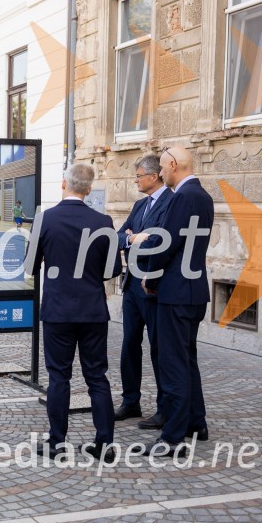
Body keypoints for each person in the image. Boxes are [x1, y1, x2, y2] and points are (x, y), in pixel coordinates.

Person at [32, 163, 122, 463]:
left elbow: (30, 266)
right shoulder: (104, 222)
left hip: (58, 311)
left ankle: (57, 442)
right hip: (93, 310)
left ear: (63, 184)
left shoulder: (45, 220)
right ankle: (105, 444)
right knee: (97, 377)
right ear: (88, 189)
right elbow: (113, 270)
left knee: (59, 377)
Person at [141, 146, 213, 457]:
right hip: (193, 290)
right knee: (187, 359)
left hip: (177, 291)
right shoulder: (203, 196)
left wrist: (150, 276)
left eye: (162, 167)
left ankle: (173, 438)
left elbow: (167, 243)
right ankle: (197, 422)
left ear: (172, 164)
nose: (161, 172)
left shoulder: (184, 196)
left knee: (174, 365)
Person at [113, 155, 174, 431]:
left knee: (159, 348)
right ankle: (131, 401)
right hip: (132, 287)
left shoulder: (171, 202)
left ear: (153, 176)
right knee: (129, 345)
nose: (135, 180)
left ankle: (165, 408)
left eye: (138, 176)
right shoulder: (139, 205)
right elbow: (117, 236)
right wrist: (131, 237)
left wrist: (139, 237)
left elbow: (161, 239)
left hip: (155, 286)